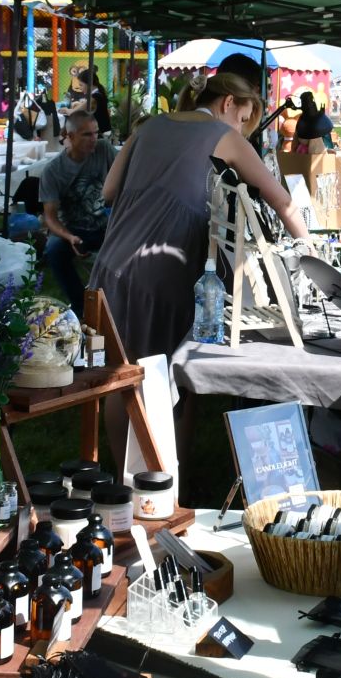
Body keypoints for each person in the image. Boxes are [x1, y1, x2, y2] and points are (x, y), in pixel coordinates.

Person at [92, 71, 307, 451]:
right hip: (162, 269)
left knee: (120, 377)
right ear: (228, 104)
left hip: (112, 264)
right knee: (164, 384)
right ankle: (164, 488)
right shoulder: (225, 138)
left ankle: (123, 477)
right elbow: (282, 201)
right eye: (243, 119)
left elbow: (109, 191)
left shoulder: (148, 127)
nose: (241, 128)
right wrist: (309, 249)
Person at [38, 111, 116, 316]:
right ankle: (81, 307)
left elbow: (124, 181)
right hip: (73, 229)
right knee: (54, 250)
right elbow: (50, 216)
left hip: (105, 224)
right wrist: (69, 237)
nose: (94, 139)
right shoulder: (53, 170)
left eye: (96, 133)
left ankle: (119, 303)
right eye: (87, 135)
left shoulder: (104, 149)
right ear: (69, 136)